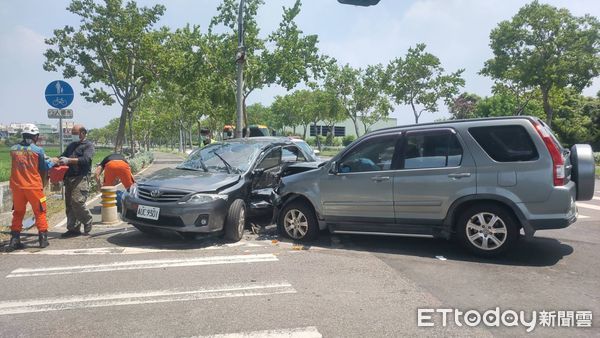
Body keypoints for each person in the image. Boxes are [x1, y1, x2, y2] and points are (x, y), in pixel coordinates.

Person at [8, 124, 54, 250]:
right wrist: (53, 161)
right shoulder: (38, 150)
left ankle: (14, 240)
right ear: (36, 136)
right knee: (40, 211)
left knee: (18, 212)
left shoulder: (13, 149)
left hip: (17, 187)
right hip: (33, 186)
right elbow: (44, 167)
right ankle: (43, 239)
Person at [54, 124, 95, 237]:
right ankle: (73, 229)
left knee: (77, 201)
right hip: (69, 178)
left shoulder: (88, 146)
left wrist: (69, 160)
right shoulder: (71, 145)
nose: (73, 136)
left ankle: (87, 220)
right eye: (72, 133)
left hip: (80, 177)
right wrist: (55, 160)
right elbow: (63, 156)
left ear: (82, 133)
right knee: (69, 204)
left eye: (75, 133)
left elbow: (86, 160)